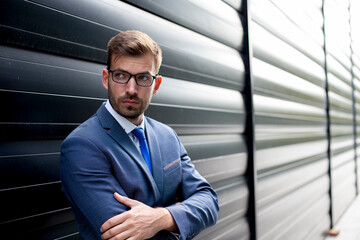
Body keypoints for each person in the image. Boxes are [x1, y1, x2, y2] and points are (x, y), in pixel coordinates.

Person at [60, 30, 219, 240]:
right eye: (121, 76)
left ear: (156, 85)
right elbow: (123, 236)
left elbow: (209, 201)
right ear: (107, 79)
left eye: (143, 77)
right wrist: (181, 215)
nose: (131, 89)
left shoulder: (167, 135)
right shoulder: (81, 145)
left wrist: (161, 217)